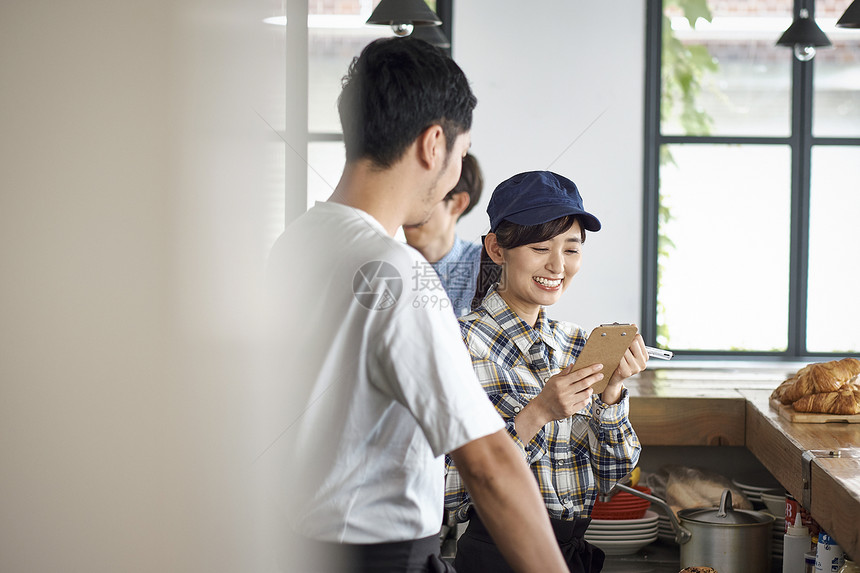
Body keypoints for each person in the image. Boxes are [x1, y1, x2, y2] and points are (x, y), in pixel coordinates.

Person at [266, 38, 569, 573]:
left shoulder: (296, 242)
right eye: (460, 150)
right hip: (379, 557)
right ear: (434, 144)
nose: (455, 173)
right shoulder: (399, 272)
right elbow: (491, 465)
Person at [444, 171, 649, 573]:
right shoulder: (456, 346)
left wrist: (612, 395)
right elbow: (445, 492)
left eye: (571, 250)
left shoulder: (577, 344)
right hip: (497, 557)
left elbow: (614, 476)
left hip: (573, 555)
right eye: (540, 247)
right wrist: (535, 414)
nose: (558, 265)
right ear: (497, 249)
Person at [403, 153, 484, 317]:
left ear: (458, 203)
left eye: (423, 197)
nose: (408, 210)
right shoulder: (387, 265)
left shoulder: (486, 265)